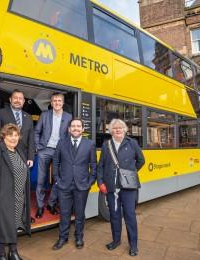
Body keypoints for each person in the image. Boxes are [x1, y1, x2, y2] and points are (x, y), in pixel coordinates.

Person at [97, 119, 145, 257]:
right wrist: (101, 182)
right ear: (111, 130)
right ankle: (116, 240)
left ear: (124, 129)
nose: (117, 130)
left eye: (120, 128)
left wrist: (130, 172)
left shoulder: (132, 143)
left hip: (128, 187)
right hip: (112, 186)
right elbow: (101, 165)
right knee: (114, 215)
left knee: (130, 215)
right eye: (115, 128)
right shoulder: (107, 145)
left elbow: (141, 160)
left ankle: (133, 245)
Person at [0, 124, 30, 260]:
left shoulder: (19, 151)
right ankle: (1, 254)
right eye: (10, 135)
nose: (13, 138)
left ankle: (13, 251)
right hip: (3, 196)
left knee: (14, 223)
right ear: (3, 136)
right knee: (1, 224)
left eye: (16, 135)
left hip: (18, 196)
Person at [52, 118, 97, 250]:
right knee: (64, 213)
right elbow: (55, 162)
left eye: (78, 126)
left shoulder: (90, 144)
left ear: (83, 129)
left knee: (79, 214)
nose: (76, 128)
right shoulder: (61, 143)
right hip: (64, 185)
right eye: (73, 126)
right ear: (69, 129)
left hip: (82, 185)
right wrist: (57, 179)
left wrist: (90, 181)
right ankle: (62, 238)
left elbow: (93, 165)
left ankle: (79, 237)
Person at [34, 92, 72, 218]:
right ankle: (40, 206)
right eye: (54, 101)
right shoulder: (44, 115)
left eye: (59, 101)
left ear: (62, 103)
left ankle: (51, 203)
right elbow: (37, 131)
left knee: (58, 180)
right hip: (44, 151)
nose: (57, 103)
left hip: (60, 152)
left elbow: (70, 135)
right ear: (51, 103)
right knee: (41, 179)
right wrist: (38, 147)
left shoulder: (68, 117)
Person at [0, 89, 35, 168]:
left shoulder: (28, 117)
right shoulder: (0, 113)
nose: (18, 100)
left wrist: (31, 157)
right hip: (5, 154)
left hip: (23, 156)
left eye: (20, 98)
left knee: (21, 178)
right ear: (10, 99)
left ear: (23, 101)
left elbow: (31, 138)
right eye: (15, 98)